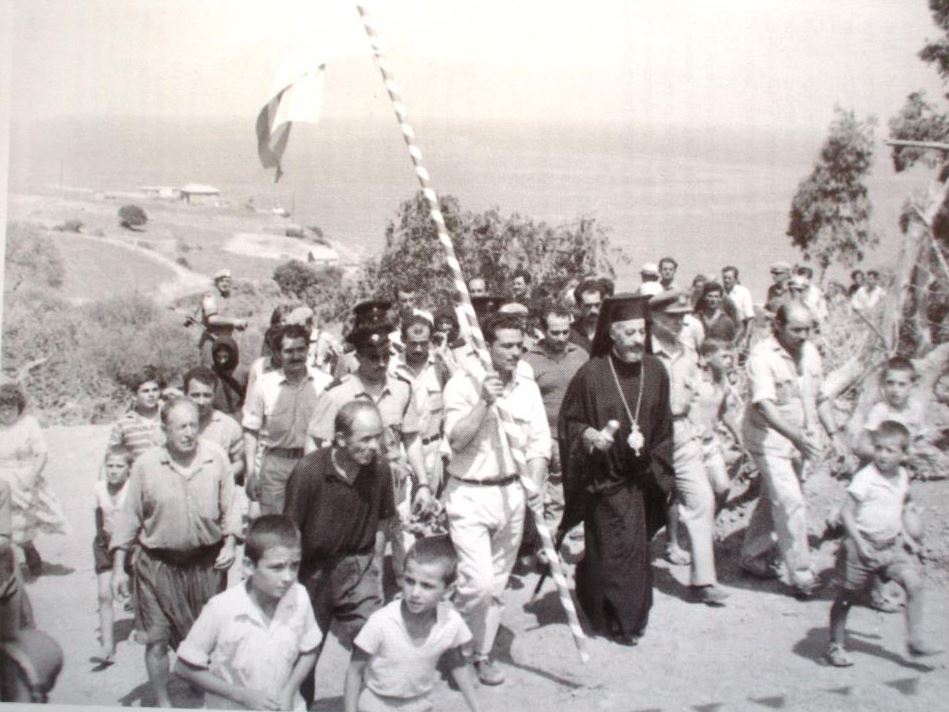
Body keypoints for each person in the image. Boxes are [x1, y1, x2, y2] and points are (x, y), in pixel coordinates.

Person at [442, 313, 550, 684]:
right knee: (478, 583)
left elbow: (539, 442)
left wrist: (535, 484)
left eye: (519, 345)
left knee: (497, 584)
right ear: (486, 346)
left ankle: (479, 654)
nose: (515, 352)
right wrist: (484, 402)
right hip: (470, 493)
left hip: (513, 493)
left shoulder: (527, 385)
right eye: (506, 345)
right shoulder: (462, 383)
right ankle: (452, 642)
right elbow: (456, 440)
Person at [559, 293, 674, 644]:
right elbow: (571, 423)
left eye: (642, 331)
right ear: (612, 334)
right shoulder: (591, 374)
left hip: (642, 479)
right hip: (604, 480)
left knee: (633, 551)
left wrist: (658, 469)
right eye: (630, 332)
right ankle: (610, 613)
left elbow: (664, 427)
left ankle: (628, 618)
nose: (638, 339)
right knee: (611, 550)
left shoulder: (656, 370)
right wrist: (590, 436)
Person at [111, 398, 240, 707]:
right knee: (156, 640)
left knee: (202, 639)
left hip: (206, 565)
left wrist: (231, 542)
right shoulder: (146, 465)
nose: (188, 433)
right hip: (157, 565)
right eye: (181, 426)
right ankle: (163, 702)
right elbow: (129, 517)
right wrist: (118, 569)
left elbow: (231, 506)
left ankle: (200, 687)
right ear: (164, 429)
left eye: (193, 425)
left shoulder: (215, 457)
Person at [283, 401, 396, 706]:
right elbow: (291, 532)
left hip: (359, 566)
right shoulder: (308, 471)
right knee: (305, 650)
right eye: (365, 439)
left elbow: (384, 521)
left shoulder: (380, 469)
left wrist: (376, 569)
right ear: (341, 438)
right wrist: (291, 585)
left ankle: (366, 705)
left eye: (378, 437)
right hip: (313, 571)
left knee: (376, 642)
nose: (374, 446)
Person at [306, 323, 431, 583]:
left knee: (406, 549)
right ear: (358, 357)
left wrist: (423, 483)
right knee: (360, 551)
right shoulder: (338, 394)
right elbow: (315, 443)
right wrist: (321, 489)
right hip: (355, 486)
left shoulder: (402, 389)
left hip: (396, 484)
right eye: (374, 357)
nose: (381, 363)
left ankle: (407, 597)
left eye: (386, 356)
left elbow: (411, 438)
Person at [739, 302, 846, 597]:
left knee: (776, 496)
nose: (803, 335)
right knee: (790, 501)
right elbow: (765, 406)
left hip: (799, 440)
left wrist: (834, 434)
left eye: (808, 329)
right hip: (767, 440)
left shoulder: (810, 352)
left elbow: (819, 397)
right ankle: (802, 575)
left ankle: (752, 556)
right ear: (778, 326)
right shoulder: (762, 357)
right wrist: (798, 437)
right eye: (796, 330)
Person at [825, 421, 942, 667]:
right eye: (878, 448)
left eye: (890, 450)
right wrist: (859, 543)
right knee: (847, 598)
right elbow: (846, 513)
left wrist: (907, 539)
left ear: (904, 454)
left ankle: (915, 640)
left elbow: (895, 510)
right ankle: (836, 645)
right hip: (860, 547)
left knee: (915, 584)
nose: (883, 455)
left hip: (890, 547)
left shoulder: (902, 476)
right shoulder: (866, 478)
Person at [175, 515, 321, 710]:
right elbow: (183, 668)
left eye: (294, 565)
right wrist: (241, 696)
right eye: (277, 567)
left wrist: (289, 690)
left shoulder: (299, 596)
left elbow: (310, 649)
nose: (288, 577)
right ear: (248, 566)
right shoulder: (222, 608)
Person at [649, 291, 728, 605]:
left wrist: (695, 429)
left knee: (702, 500)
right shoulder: (642, 352)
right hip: (649, 437)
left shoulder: (688, 352)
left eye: (683, 316)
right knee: (638, 504)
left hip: (682, 434)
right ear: (654, 317)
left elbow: (696, 394)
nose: (680, 322)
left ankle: (702, 580)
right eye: (673, 316)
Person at [343, 537, 481, 712]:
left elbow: (458, 664)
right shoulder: (382, 622)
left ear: (448, 591)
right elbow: (354, 671)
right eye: (409, 581)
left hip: (419, 704)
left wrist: (477, 708)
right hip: (377, 703)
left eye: (427, 586)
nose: (415, 593)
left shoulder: (451, 622)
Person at [243, 324, 333, 516]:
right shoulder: (264, 386)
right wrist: (250, 474)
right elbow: (251, 430)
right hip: (276, 465)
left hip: (314, 463)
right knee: (276, 526)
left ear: (308, 350)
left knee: (311, 523)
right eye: (289, 351)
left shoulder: (325, 383)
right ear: (278, 354)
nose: (296, 356)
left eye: (301, 349)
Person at [522, 305, 589, 552]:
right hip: (538, 439)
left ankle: (549, 548)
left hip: (569, 438)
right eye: (555, 332)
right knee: (534, 492)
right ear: (543, 330)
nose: (561, 338)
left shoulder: (580, 355)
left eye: (565, 332)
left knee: (559, 495)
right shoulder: (528, 361)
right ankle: (528, 541)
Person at [0, 382, 69, 577]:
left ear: (18, 407)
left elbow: (41, 454)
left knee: (21, 526)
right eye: (2, 409)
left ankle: (28, 549)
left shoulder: (28, 424)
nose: (6, 413)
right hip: (0, 480)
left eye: (10, 408)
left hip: (23, 477)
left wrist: (31, 477)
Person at [390, 315, 451, 497]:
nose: (418, 349)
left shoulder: (440, 366)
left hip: (433, 450)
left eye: (424, 343)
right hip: (401, 451)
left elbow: (463, 391)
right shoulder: (391, 369)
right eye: (413, 343)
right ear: (403, 340)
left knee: (431, 506)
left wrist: (444, 358)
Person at [93, 446, 134, 665]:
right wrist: (102, 539)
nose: (114, 471)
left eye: (119, 466)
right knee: (104, 595)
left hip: (133, 546)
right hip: (106, 544)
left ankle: (141, 625)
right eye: (110, 466)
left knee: (138, 590)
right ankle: (107, 647)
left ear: (129, 469)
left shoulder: (134, 489)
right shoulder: (100, 488)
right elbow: (99, 516)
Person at [693, 339, 742, 511]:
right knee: (696, 495)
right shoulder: (694, 379)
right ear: (707, 357)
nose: (729, 361)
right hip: (691, 444)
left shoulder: (722, 382)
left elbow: (724, 411)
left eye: (731, 357)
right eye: (724, 357)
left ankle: (709, 521)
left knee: (723, 488)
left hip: (710, 443)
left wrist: (739, 436)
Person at [106, 366, 165, 465]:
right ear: (134, 395)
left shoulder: (168, 417)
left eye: (155, 390)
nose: (151, 395)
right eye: (145, 391)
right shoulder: (123, 424)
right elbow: (111, 457)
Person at [199, 268, 248, 366]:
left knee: (231, 369)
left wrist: (238, 324)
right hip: (212, 339)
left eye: (227, 281)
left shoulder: (228, 298)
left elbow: (229, 318)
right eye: (222, 281)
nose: (225, 284)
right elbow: (212, 319)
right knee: (209, 370)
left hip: (227, 340)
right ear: (216, 282)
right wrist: (234, 321)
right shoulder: (210, 296)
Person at [210, 336, 248, 418]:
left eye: (225, 357)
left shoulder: (243, 372)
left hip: (239, 416)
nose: (222, 361)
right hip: (218, 416)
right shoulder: (211, 373)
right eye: (218, 357)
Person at [569, 279, 607, 353]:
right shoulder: (569, 333)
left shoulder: (610, 332)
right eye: (588, 306)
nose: (593, 310)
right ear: (578, 306)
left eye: (597, 305)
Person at [721, 266, 755, 339]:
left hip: (740, 331)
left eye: (729, 278)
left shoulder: (743, 292)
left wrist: (746, 339)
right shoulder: (720, 293)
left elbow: (750, 318)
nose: (726, 280)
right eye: (724, 278)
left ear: (735, 279)